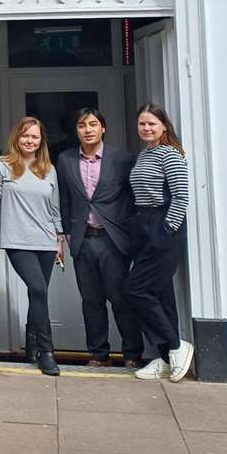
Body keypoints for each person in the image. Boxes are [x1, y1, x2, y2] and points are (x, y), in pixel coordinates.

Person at [55, 107, 142, 368]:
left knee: (120, 298)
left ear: (103, 128)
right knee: (91, 300)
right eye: (82, 125)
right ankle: (98, 354)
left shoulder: (122, 159)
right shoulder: (66, 160)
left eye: (93, 124)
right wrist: (66, 234)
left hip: (113, 240)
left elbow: (133, 197)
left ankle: (132, 353)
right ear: (76, 131)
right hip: (83, 240)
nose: (88, 130)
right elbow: (65, 199)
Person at [0, 116, 65, 376]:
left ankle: (31, 345)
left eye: (35, 137)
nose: (29, 141)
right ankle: (47, 352)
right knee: (38, 288)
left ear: (41, 141)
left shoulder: (48, 168)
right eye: (25, 136)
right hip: (17, 240)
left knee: (37, 294)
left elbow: (55, 208)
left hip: (46, 240)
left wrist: (59, 238)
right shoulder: (3, 165)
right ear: (16, 138)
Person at [125, 103, 195, 382]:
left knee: (136, 289)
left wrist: (165, 230)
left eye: (152, 123)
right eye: (142, 124)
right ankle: (166, 357)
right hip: (143, 224)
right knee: (161, 294)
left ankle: (177, 346)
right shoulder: (145, 155)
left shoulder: (170, 154)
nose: (146, 128)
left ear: (164, 126)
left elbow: (180, 196)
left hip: (163, 226)